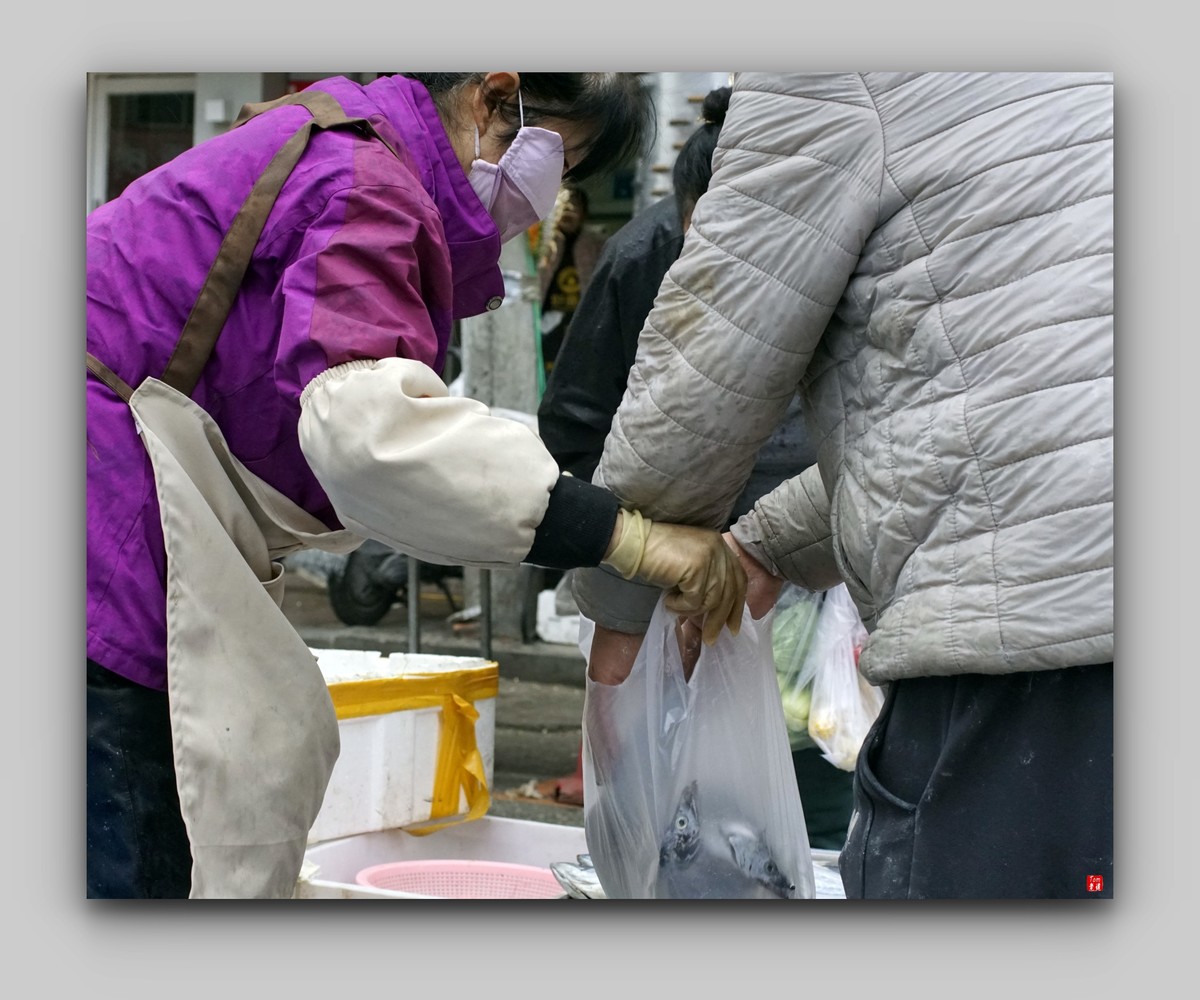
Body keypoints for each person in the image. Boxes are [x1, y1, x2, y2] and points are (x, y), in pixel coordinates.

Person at [86, 71, 747, 899]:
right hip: (102, 521)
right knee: (136, 835)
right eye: (559, 158)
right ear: (491, 97)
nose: (549, 196)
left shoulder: (342, 143)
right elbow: (372, 432)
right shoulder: (362, 179)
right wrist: (629, 539)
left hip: (127, 507)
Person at [572, 72, 1113, 899]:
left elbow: (704, 369)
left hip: (1030, 642)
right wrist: (763, 545)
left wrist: (621, 615)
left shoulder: (834, 63)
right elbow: (1031, 402)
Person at [537, 86, 854, 851]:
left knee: (812, 802)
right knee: (674, 812)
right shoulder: (645, 257)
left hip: (810, 579)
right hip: (676, 581)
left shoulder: (846, 239)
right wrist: (628, 578)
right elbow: (594, 428)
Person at [535, 184, 606, 376]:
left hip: (581, 320)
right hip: (546, 319)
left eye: (576, 207)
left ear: (585, 213)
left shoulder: (597, 244)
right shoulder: (544, 241)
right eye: (566, 206)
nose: (570, 212)